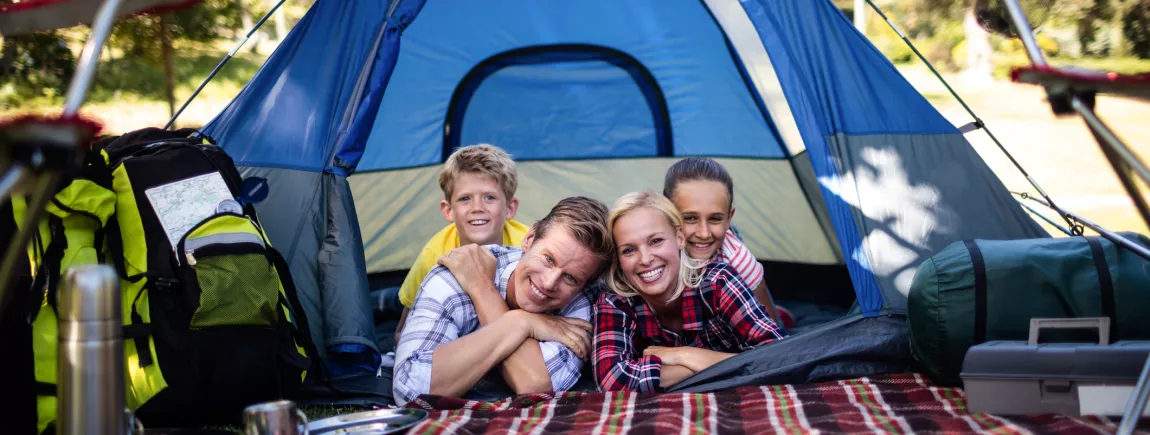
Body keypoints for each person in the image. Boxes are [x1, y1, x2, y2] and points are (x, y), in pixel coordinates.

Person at [392, 196, 614, 405]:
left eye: (570, 278)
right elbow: (410, 390)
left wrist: (491, 299)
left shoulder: (581, 300)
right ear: (529, 238)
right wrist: (522, 322)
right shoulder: (456, 276)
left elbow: (535, 386)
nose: (549, 283)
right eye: (548, 259)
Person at [592, 192, 787, 393]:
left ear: (679, 238)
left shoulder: (718, 281)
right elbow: (612, 379)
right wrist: (723, 364)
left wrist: (684, 355)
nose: (645, 259)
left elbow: (779, 357)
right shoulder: (614, 302)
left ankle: (781, 314)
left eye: (656, 241)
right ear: (619, 260)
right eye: (629, 250)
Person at [390, 144, 531, 343]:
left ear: (509, 208)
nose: (477, 208)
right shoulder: (435, 253)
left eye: (489, 197)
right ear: (448, 211)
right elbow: (402, 330)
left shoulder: (527, 246)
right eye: (465, 199)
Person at [662, 157, 788, 326]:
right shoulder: (651, 250)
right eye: (690, 218)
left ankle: (780, 311)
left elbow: (774, 337)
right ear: (667, 213)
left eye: (715, 219)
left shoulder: (738, 260)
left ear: (729, 218)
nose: (704, 233)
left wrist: (689, 353)